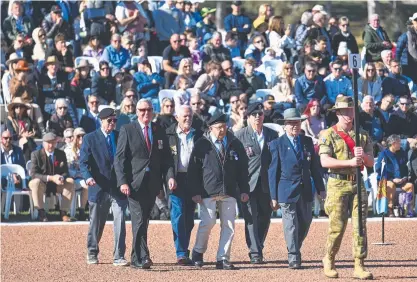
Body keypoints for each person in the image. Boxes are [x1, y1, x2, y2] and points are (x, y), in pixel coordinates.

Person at [115, 99, 175, 269]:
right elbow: (119, 159)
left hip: (153, 184)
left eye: (149, 109)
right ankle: (140, 257)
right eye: (142, 110)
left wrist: (169, 176)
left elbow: (166, 158)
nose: (145, 113)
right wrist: (123, 181)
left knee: (144, 220)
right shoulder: (128, 129)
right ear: (137, 111)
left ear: (153, 110)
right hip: (134, 183)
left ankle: (138, 255)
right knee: (139, 219)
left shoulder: (158, 130)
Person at [319, 96, 374, 279]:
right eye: (345, 111)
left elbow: (370, 162)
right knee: (337, 225)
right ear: (337, 113)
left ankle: (359, 263)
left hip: (357, 182)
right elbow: (324, 161)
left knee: (360, 226)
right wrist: (349, 161)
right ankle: (329, 258)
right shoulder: (328, 134)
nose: (349, 115)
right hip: (337, 183)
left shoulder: (363, 135)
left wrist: (363, 157)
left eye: (351, 111)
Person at [187, 113, 249, 270]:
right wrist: (195, 191)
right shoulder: (201, 144)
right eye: (218, 127)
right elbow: (193, 170)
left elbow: (243, 169)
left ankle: (222, 258)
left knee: (229, 226)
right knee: (208, 222)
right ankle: (198, 252)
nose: (222, 130)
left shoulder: (235, 143)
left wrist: (244, 189)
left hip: (229, 191)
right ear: (210, 128)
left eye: (224, 126)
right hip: (208, 191)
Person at [268, 108, 325, 269]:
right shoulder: (276, 144)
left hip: (306, 189)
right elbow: (273, 172)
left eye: (297, 122)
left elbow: (315, 167)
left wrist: (321, 189)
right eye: (291, 123)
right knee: (291, 223)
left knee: (306, 222)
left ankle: (295, 246)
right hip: (286, 190)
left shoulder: (306, 141)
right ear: (285, 125)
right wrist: (273, 196)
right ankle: (293, 255)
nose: (294, 126)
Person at [79, 108, 129, 266]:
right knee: (96, 223)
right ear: (101, 120)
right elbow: (83, 162)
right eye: (110, 120)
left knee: (120, 219)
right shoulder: (90, 138)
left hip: (118, 187)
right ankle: (92, 251)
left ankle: (119, 255)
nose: (113, 123)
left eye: (115, 120)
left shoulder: (120, 135)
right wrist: (88, 177)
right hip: (99, 186)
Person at [235, 102, 278, 264]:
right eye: (254, 114)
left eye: (260, 114)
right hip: (248, 184)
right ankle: (255, 252)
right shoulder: (240, 135)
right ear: (249, 117)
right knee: (251, 218)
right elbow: (236, 164)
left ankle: (258, 244)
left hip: (267, 184)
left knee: (265, 217)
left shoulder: (272, 135)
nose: (258, 117)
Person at [165, 105, 203, 265]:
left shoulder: (199, 135)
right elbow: (165, 160)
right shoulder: (168, 134)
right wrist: (169, 177)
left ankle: (184, 249)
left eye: (190, 116)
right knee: (178, 215)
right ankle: (181, 252)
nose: (188, 119)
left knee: (189, 219)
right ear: (177, 117)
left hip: (193, 180)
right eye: (185, 116)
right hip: (176, 180)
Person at [29, 132, 75, 222]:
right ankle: (41, 212)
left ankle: (63, 213)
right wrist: (51, 178)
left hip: (57, 184)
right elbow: (34, 174)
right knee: (35, 182)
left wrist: (61, 177)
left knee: (70, 181)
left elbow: (66, 172)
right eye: (48, 143)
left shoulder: (61, 154)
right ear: (43, 143)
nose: (51, 145)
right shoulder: (35, 154)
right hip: (42, 184)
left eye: (53, 142)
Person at [375, 134, 415, 218]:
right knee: (391, 185)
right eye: (399, 142)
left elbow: (405, 168)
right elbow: (379, 170)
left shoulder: (402, 153)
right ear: (393, 144)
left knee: (410, 186)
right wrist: (392, 179)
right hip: (387, 180)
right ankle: (390, 209)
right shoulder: (384, 154)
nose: (401, 144)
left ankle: (407, 210)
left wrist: (404, 178)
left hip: (401, 181)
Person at [64, 127, 88, 221]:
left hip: (82, 177)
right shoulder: (68, 150)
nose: (81, 138)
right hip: (72, 177)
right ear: (74, 137)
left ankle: (82, 210)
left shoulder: (87, 148)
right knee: (72, 182)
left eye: (83, 136)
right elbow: (66, 168)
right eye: (78, 136)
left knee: (88, 184)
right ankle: (70, 212)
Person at [5, 97, 37, 163]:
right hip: (14, 142)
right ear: (13, 109)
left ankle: (31, 163)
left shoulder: (27, 119)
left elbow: (33, 130)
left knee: (29, 142)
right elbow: (12, 136)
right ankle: (27, 163)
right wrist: (21, 135)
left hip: (28, 141)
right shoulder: (9, 120)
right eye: (16, 107)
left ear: (24, 108)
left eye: (21, 107)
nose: (19, 108)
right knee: (26, 142)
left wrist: (32, 133)